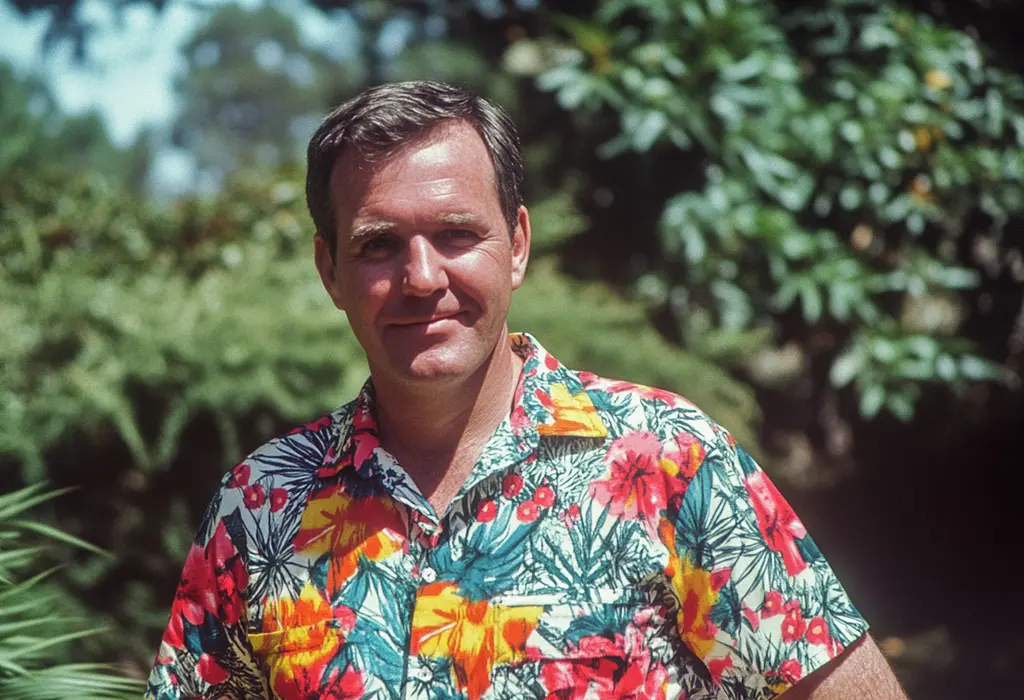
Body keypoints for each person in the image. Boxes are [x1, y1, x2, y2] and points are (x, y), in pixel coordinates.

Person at [145, 80, 906, 700]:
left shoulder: (669, 462)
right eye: (379, 244)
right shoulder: (261, 505)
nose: (421, 279)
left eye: (455, 234)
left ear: (516, 244)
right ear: (329, 271)